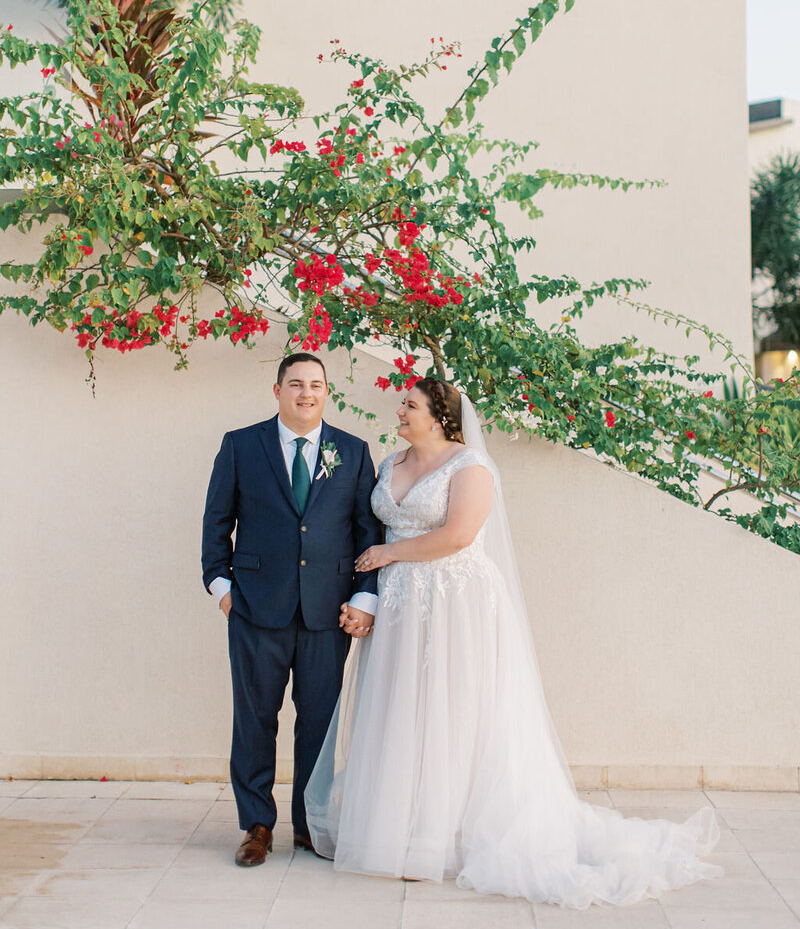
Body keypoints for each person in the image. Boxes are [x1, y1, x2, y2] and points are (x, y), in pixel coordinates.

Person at [305, 377, 723, 908]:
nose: (401, 409)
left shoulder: (470, 467)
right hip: (399, 607)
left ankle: (444, 835)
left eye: (410, 404)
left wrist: (389, 555)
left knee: (453, 711)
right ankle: (399, 827)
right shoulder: (389, 464)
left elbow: (458, 534)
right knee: (400, 709)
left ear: (439, 416)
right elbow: (375, 526)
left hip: (455, 602)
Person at [201, 352, 382, 867]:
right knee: (255, 719)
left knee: (319, 722)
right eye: (296, 383)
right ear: (276, 389)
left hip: (328, 612)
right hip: (256, 608)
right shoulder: (241, 445)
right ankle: (258, 824)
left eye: (317, 385)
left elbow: (368, 534)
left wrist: (364, 596)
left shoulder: (352, 451)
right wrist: (221, 587)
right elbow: (216, 522)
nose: (307, 393)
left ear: (327, 393)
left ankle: (310, 825)